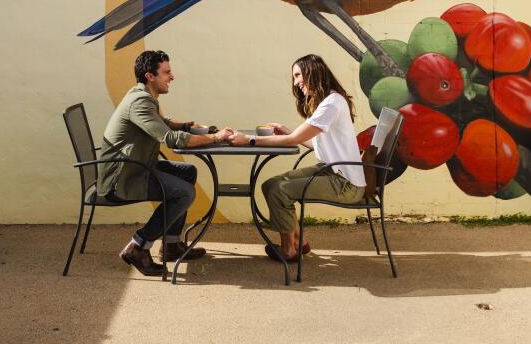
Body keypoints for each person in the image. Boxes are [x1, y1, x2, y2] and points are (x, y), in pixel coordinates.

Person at [98, 49, 235, 277]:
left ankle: (171, 244)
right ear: (150, 76)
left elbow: (164, 123)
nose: (172, 77)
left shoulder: (143, 96)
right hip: (122, 179)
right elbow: (169, 139)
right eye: (167, 72)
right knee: (185, 193)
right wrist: (214, 138)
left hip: (137, 165)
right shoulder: (140, 102)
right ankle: (137, 246)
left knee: (187, 172)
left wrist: (186, 126)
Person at [228, 54, 365, 262]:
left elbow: (294, 140)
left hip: (345, 183)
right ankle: (298, 242)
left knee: (278, 191)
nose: (296, 82)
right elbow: (313, 143)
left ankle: (288, 251)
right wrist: (288, 133)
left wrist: (249, 139)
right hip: (333, 171)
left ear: (313, 71)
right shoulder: (329, 101)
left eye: (298, 75)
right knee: (270, 184)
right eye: (294, 77)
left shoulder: (331, 104)